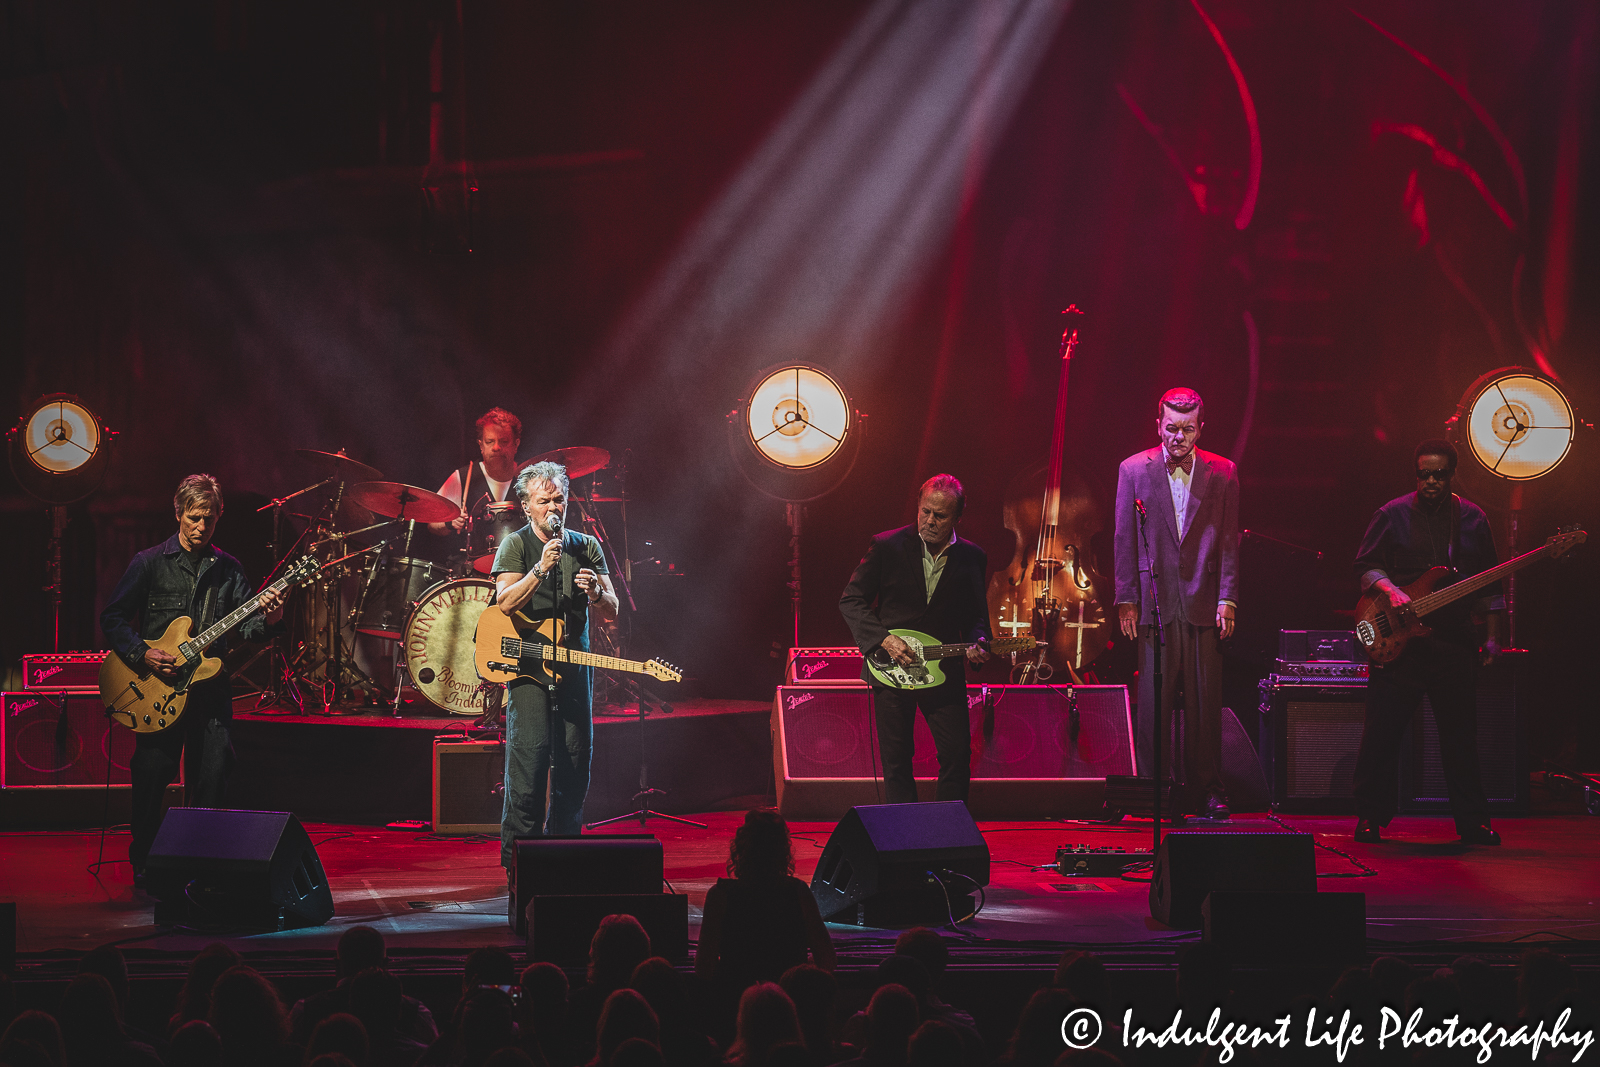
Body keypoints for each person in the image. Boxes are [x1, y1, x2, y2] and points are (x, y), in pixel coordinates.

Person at [100, 474, 285, 881]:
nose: (202, 527)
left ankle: (202, 863)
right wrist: (143, 653)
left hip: (209, 690)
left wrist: (270, 615)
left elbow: (252, 631)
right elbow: (112, 618)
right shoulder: (148, 563)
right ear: (179, 512)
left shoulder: (229, 568)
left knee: (213, 776)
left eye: (210, 520)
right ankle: (146, 863)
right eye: (195, 518)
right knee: (151, 776)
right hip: (156, 690)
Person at [1351, 439, 1505, 846]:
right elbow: (1366, 565)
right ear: (1415, 474)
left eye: (1439, 474)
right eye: (1424, 474)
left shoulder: (1472, 519)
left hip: (1453, 640)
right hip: (1401, 642)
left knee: (1460, 736)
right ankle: (1369, 816)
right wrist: (1390, 589)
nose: (1431, 481)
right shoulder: (1392, 514)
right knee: (1382, 734)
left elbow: (1491, 581)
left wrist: (1492, 638)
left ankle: (1472, 822)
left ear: (1452, 475)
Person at [1112, 388, 1239, 819]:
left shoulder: (1223, 472)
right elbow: (1123, 536)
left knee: (1206, 700)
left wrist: (1228, 597)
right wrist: (1126, 598)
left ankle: (1208, 789)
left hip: (1204, 596)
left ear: (1201, 427)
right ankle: (1154, 789)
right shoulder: (1133, 469)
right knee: (1154, 698)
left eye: (1187, 429)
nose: (1178, 437)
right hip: (1154, 599)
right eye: (1171, 428)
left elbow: (1228, 540)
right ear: (1158, 425)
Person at [491, 460, 618, 864]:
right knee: (527, 771)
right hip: (528, 671)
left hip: (573, 671)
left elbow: (614, 610)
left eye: (559, 499)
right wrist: (539, 569)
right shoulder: (516, 544)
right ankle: (519, 869)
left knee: (574, 767)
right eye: (544, 501)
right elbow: (505, 602)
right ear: (526, 506)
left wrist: (598, 592)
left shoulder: (587, 545)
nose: (553, 508)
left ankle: (563, 859)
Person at [839, 474, 991, 804]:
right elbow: (851, 599)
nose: (930, 522)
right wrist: (883, 639)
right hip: (891, 668)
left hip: (944, 671)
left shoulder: (972, 556)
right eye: (925, 512)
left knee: (956, 755)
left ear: (958, 518)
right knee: (896, 762)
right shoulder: (887, 545)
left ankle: (949, 833)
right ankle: (903, 839)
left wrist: (979, 642)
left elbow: (977, 615)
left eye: (940, 515)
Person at [430, 406, 526, 541]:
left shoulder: (529, 480)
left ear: (516, 444)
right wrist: (449, 523)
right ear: (481, 446)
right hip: (471, 561)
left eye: (503, 441)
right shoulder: (463, 477)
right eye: (489, 442)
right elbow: (432, 522)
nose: (496, 447)